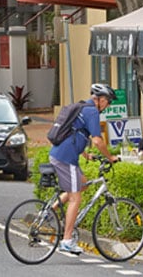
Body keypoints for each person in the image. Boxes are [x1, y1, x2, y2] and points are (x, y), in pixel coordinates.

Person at [48, 83, 118, 255]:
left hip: (62, 154)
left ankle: (51, 211)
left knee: (83, 184)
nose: (108, 106)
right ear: (100, 100)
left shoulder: (82, 107)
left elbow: (75, 133)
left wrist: (86, 155)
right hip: (66, 159)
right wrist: (110, 157)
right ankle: (66, 240)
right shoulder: (92, 111)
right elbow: (97, 140)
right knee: (75, 198)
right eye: (107, 102)